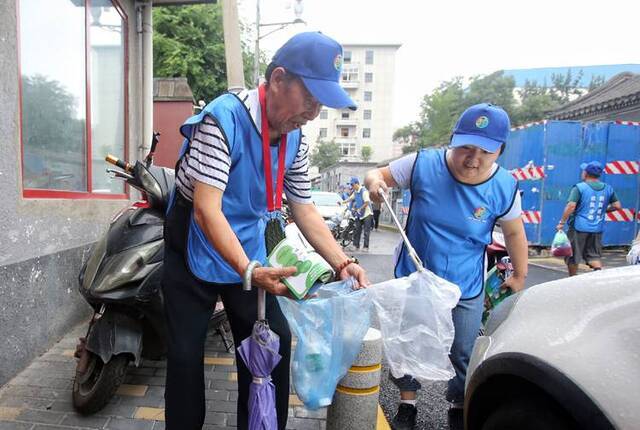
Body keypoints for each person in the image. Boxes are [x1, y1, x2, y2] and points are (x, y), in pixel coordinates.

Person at [162, 31, 369, 430]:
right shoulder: (221, 120)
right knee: (186, 356)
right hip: (193, 241)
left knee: (274, 340)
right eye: (309, 98)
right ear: (277, 80)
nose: (313, 111)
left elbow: (303, 207)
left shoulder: (296, 138)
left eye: (320, 103)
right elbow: (206, 211)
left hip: (248, 244)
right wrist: (249, 271)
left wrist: (343, 263)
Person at [365, 103, 529, 430]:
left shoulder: (505, 186)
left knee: (463, 350)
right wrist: (374, 186)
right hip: (416, 278)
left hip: (465, 285)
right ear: (453, 140)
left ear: (500, 151)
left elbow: (514, 232)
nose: (472, 158)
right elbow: (376, 174)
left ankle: (457, 404)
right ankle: (407, 403)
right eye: (465, 147)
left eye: (485, 151)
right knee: (407, 341)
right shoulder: (423, 163)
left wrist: (520, 276)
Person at [556, 161, 621, 276]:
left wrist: (562, 222)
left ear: (585, 173)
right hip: (597, 229)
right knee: (593, 256)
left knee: (573, 255)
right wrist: (603, 210)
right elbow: (617, 206)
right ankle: (598, 276)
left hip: (578, 228)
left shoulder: (579, 188)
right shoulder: (608, 188)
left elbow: (571, 206)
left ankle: (572, 279)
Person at [342, 176, 373, 251]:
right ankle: (356, 245)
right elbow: (350, 198)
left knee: (366, 231)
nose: (352, 187)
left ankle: (366, 247)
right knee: (357, 229)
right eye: (351, 185)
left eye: (352, 185)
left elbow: (367, 202)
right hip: (359, 214)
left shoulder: (364, 191)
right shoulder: (355, 192)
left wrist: (360, 209)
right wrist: (343, 202)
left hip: (367, 214)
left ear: (357, 184)